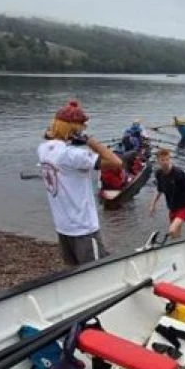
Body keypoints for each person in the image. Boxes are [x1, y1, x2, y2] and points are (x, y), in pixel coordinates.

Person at [37, 100, 122, 265]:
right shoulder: (72, 155)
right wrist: (90, 141)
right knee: (96, 271)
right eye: (82, 125)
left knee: (74, 271)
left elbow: (47, 135)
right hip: (83, 228)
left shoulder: (43, 149)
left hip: (63, 227)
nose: (85, 128)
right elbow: (116, 162)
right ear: (73, 128)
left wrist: (60, 133)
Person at [149, 147, 185, 238]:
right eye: (162, 160)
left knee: (172, 229)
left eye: (167, 159)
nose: (165, 162)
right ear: (158, 161)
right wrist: (152, 205)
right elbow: (159, 190)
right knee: (175, 235)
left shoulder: (178, 173)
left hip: (183, 207)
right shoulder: (159, 174)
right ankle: (179, 245)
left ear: (170, 159)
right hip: (172, 207)